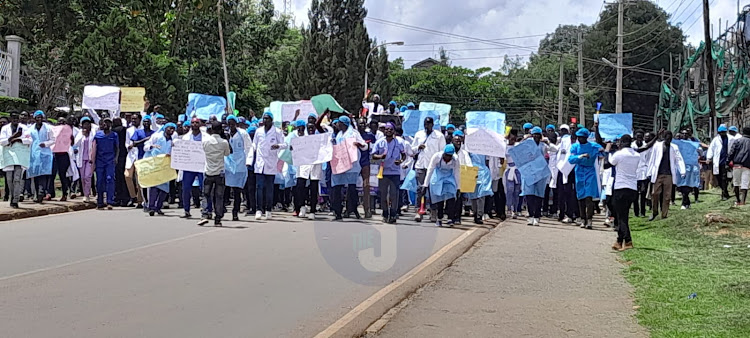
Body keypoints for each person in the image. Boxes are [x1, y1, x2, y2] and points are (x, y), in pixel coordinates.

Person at [330, 115, 367, 221]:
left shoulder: (354, 133)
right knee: (337, 187)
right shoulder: (338, 135)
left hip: (351, 165)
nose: (337, 125)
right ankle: (337, 212)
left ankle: (352, 209)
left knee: (351, 188)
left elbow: (365, 146)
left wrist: (359, 144)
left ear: (343, 123)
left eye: (339, 123)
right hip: (340, 164)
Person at [411, 117, 447, 222]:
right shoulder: (419, 134)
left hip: (433, 168)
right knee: (420, 189)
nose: (427, 126)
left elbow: (442, 152)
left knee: (433, 191)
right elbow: (412, 150)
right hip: (421, 166)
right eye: (425, 124)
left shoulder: (439, 136)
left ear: (432, 124)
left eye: (429, 124)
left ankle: (433, 212)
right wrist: (418, 147)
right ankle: (418, 211)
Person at [608, 134, 640, 251]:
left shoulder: (619, 154)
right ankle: (619, 241)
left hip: (620, 187)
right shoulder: (636, 155)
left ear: (621, 142)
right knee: (624, 215)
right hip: (632, 188)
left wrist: (608, 151)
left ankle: (628, 240)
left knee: (621, 217)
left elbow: (609, 163)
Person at [645, 130, 686, 221]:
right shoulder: (657, 146)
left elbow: (679, 159)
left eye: (670, 139)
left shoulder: (674, 147)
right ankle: (654, 212)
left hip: (669, 175)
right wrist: (649, 172)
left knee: (667, 196)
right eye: (667, 138)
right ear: (664, 138)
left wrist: (682, 171)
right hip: (658, 174)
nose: (669, 140)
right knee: (654, 193)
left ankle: (664, 214)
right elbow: (652, 160)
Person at [253, 112, 287, 220]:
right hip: (260, 163)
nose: (265, 120)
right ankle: (259, 209)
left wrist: (278, 146)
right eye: (264, 118)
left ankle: (268, 209)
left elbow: (285, 144)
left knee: (269, 188)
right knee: (259, 187)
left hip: (271, 163)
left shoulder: (277, 132)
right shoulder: (258, 131)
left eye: (267, 118)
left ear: (271, 120)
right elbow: (254, 144)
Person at [568, 127, 603, 229]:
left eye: (582, 137)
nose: (580, 139)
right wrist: (580, 156)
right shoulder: (575, 147)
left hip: (590, 172)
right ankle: (582, 218)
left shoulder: (593, 146)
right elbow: (570, 159)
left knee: (589, 196)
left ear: (586, 138)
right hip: (579, 172)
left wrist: (601, 150)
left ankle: (590, 219)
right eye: (579, 137)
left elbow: (602, 152)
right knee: (581, 197)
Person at [372, 122, 406, 223]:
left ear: (394, 131)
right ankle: (385, 213)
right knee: (383, 194)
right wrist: (380, 156)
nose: (388, 131)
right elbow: (373, 155)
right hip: (383, 172)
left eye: (391, 129)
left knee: (394, 194)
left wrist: (400, 161)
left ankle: (393, 213)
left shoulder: (399, 142)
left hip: (395, 172)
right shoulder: (380, 142)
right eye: (387, 129)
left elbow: (404, 155)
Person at [200, 121, 232, 226]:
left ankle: (204, 213)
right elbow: (227, 153)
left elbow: (203, 151)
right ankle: (218, 218)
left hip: (208, 171)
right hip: (219, 172)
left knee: (206, 194)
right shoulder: (223, 142)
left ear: (211, 130)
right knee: (219, 196)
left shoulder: (205, 141)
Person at [520, 127, 550, 226]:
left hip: (540, 173)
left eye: (538, 134)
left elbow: (552, 150)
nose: (536, 136)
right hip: (529, 173)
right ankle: (530, 215)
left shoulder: (543, 146)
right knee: (529, 195)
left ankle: (537, 216)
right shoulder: (527, 145)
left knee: (539, 195)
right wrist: (525, 139)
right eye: (534, 134)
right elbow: (518, 148)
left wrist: (548, 142)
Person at [424, 144, 460, 227]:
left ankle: (450, 218)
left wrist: (458, 187)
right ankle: (439, 218)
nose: (448, 158)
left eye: (450, 156)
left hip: (449, 178)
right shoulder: (437, 157)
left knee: (451, 198)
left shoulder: (455, 159)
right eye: (446, 155)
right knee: (439, 199)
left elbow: (457, 173)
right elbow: (430, 169)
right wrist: (425, 185)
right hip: (438, 177)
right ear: (444, 153)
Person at [178, 118, 208, 219]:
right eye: (193, 123)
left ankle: (207, 210)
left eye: (197, 123)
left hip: (201, 165)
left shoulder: (206, 137)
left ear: (200, 124)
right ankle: (186, 210)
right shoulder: (185, 138)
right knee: (186, 188)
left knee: (204, 188)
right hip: (189, 166)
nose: (194, 124)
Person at [0, 111, 31, 208]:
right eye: (13, 118)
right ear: (10, 119)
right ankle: (12, 195)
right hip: (9, 156)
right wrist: (13, 137)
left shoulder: (24, 128)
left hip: (20, 156)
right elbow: (2, 141)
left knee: (17, 179)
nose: (15, 120)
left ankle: (15, 199)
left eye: (17, 118)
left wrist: (19, 140)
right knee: (9, 179)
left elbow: (29, 140)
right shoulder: (5, 128)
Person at [225, 115, 253, 221]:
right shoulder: (225, 134)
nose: (231, 125)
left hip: (240, 163)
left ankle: (235, 211)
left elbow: (249, 147)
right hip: (227, 162)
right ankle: (221, 208)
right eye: (229, 123)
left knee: (237, 190)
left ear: (236, 124)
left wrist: (248, 161)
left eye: (233, 123)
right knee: (225, 187)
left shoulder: (243, 133)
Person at [143, 122, 175, 216]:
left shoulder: (173, 140)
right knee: (154, 186)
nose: (171, 130)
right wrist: (152, 146)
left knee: (165, 188)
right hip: (155, 164)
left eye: (173, 129)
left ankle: (158, 207)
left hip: (166, 166)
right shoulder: (156, 136)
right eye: (169, 128)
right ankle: (151, 207)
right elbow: (146, 146)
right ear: (165, 128)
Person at [296, 122, 324, 220]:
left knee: (313, 189)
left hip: (315, 165)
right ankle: (302, 206)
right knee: (300, 187)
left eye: (312, 128)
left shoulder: (319, 138)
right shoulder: (302, 139)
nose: (310, 129)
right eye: (309, 128)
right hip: (303, 166)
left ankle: (312, 210)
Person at [92, 118, 119, 210]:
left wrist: (116, 158)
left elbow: (117, 148)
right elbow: (93, 148)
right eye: (104, 123)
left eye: (108, 123)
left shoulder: (114, 135)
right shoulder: (97, 135)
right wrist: (92, 160)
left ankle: (110, 201)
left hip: (110, 160)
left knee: (110, 179)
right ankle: (100, 202)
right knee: (99, 181)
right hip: (99, 160)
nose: (106, 124)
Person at [28, 111, 55, 203]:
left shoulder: (48, 128)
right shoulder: (30, 129)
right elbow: (28, 139)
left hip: (45, 153)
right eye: (37, 117)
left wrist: (46, 144)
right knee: (35, 175)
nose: (39, 119)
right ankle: (37, 193)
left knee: (43, 175)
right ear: (34, 118)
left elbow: (53, 139)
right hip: (34, 154)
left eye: (40, 117)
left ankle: (41, 192)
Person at [131, 116, 155, 209]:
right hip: (141, 159)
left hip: (151, 160)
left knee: (151, 182)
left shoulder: (154, 133)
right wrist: (145, 140)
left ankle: (152, 201)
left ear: (150, 123)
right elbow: (134, 144)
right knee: (143, 182)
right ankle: (146, 201)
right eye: (144, 122)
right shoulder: (138, 132)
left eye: (147, 122)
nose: (146, 123)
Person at [554, 124, 577, 223]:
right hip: (563, 169)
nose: (572, 130)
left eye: (574, 128)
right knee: (562, 193)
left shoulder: (580, 142)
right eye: (571, 128)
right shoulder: (564, 140)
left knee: (573, 193)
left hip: (575, 169)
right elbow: (558, 151)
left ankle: (572, 214)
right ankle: (562, 213)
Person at [50, 116, 74, 201]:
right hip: (55, 155)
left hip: (64, 155)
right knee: (51, 175)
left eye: (63, 123)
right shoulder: (53, 131)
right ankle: (50, 193)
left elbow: (72, 143)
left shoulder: (68, 132)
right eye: (59, 122)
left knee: (62, 175)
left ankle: (65, 193)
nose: (61, 125)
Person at [73, 117, 96, 203]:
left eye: (88, 123)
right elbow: (76, 144)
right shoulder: (80, 133)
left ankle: (87, 195)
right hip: (81, 158)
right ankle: (85, 192)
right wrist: (83, 135)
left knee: (88, 176)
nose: (86, 125)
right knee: (82, 177)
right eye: (84, 124)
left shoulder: (93, 133)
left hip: (90, 159)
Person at [707, 125, 732, 200]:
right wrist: (708, 157)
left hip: (726, 161)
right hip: (718, 162)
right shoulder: (716, 139)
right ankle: (725, 191)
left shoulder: (731, 139)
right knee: (718, 178)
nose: (722, 134)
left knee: (724, 178)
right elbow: (711, 148)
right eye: (721, 132)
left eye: (724, 132)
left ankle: (724, 194)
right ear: (719, 132)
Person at [358, 118, 377, 218]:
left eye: (363, 124)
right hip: (355, 163)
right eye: (360, 123)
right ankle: (349, 209)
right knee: (350, 187)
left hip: (365, 163)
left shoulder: (370, 136)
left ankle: (367, 210)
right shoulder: (353, 135)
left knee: (366, 186)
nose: (362, 125)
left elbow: (375, 147)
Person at [124, 113, 143, 207]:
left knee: (139, 178)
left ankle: (140, 200)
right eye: (132, 119)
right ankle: (133, 196)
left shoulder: (143, 129)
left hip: (140, 155)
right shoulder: (129, 130)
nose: (133, 120)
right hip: (131, 154)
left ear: (140, 119)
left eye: (135, 119)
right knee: (127, 176)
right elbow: (127, 143)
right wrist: (129, 146)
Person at [728, 127, 750, 205]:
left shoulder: (737, 141)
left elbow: (731, 152)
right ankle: (743, 201)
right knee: (745, 184)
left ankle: (738, 200)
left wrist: (728, 162)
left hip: (736, 165)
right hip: (747, 166)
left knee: (736, 183)